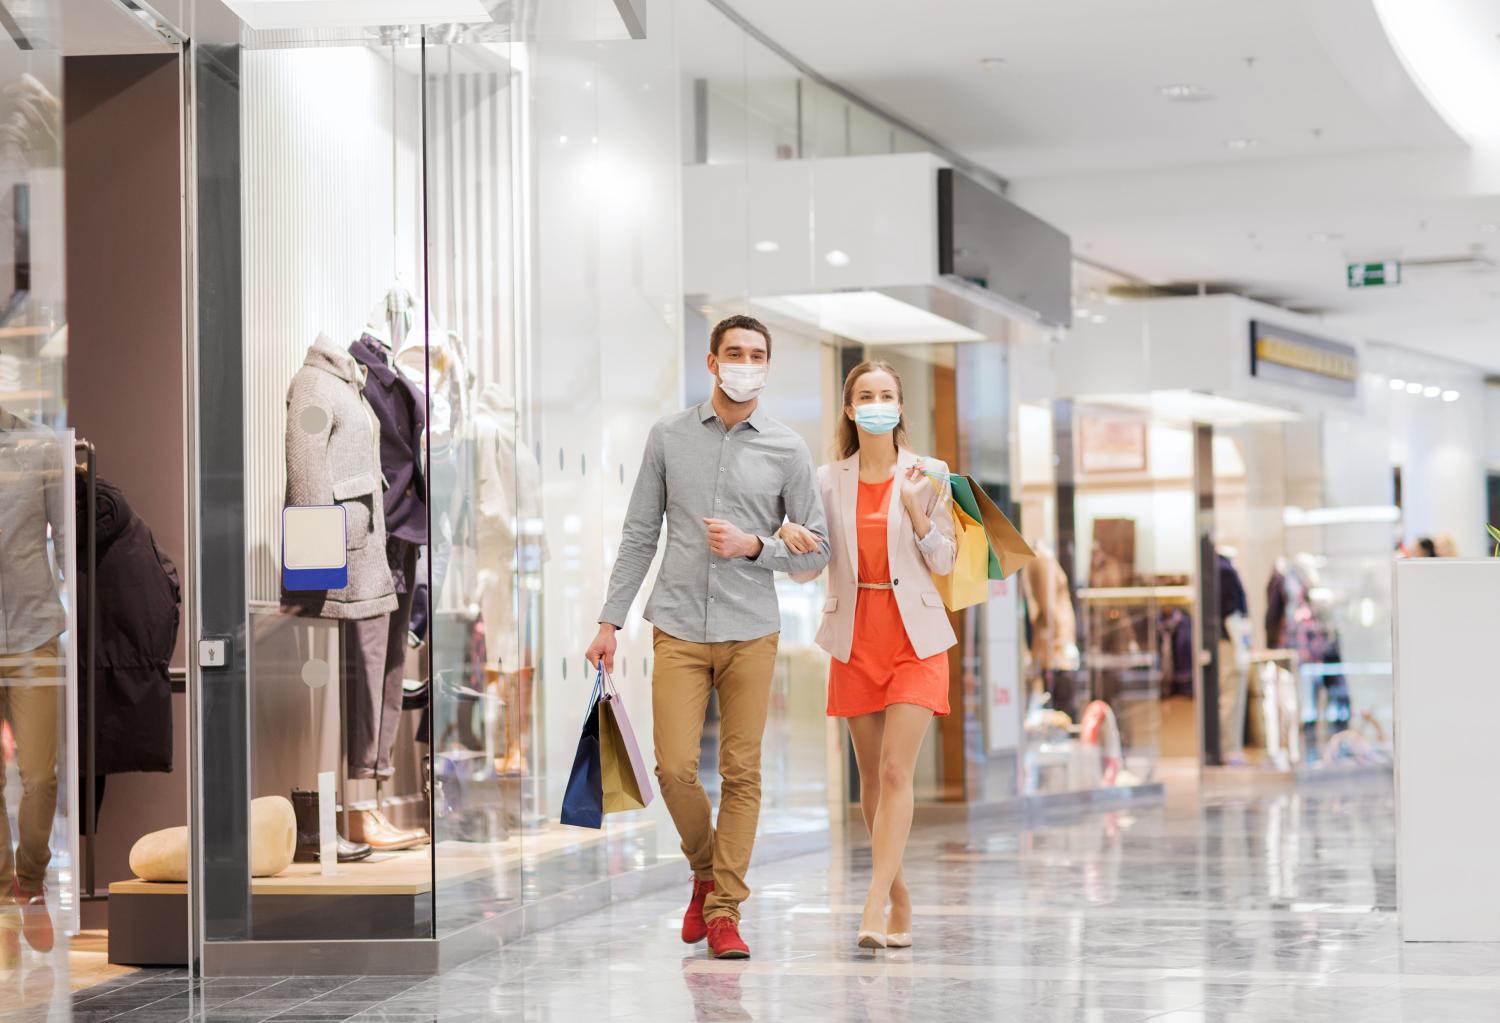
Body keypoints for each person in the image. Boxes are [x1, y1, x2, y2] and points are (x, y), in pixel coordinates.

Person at [586, 315, 830, 960]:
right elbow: (641, 533)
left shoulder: (788, 448)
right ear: (712, 360)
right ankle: (704, 871)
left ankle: (724, 910)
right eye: (735, 353)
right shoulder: (668, 436)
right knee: (673, 766)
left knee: (742, 774)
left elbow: (815, 553)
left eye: (757, 355)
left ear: (766, 367)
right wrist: (610, 620)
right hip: (679, 626)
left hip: (752, 630)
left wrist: (758, 546)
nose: (745, 363)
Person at [778, 360, 957, 950]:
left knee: (895, 771)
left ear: (900, 407)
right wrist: (790, 542)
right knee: (871, 781)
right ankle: (900, 897)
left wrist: (913, 509)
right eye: (865, 396)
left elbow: (946, 561)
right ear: (851, 410)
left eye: (887, 394)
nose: (877, 403)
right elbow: (809, 571)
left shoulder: (931, 473)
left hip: (915, 638)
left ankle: (874, 903)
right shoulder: (827, 480)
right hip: (855, 636)